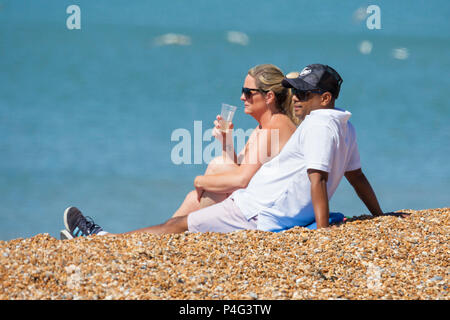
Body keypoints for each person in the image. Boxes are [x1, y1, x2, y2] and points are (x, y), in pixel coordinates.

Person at [60, 64, 299, 239]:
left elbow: (243, 179)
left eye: (248, 92)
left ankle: (105, 240)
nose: (241, 97)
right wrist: (226, 142)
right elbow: (247, 174)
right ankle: (125, 239)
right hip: (254, 206)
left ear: (268, 97)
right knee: (186, 210)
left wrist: (200, 179)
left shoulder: (274, 127)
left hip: (259, 214)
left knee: (180, 219)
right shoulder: (266, 126)